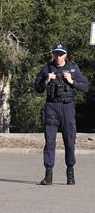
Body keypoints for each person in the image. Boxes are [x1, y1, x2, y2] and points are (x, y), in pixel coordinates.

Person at [34, 44, 89, 185]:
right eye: (56, 54)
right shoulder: (47, 68)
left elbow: (85, 87)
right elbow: (37, 88)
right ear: (53, 54)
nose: (58, 57)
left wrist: (72, 81)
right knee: (50, 142)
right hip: (52, 107)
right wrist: (46, 80)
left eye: (61, 54)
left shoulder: (72, 68)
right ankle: (48, 174)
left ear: (65, 55)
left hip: (67, 107)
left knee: (70, 141)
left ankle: (70, 171)